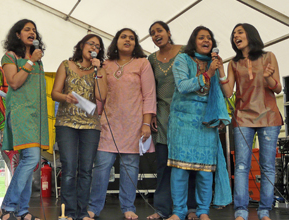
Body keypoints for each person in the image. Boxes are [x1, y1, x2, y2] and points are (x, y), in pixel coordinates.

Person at [87, 28, 156, 220]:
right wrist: (97, 116)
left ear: (136, 43)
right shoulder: (105, 64)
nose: (127, 40)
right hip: (108, 123)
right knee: (101, 166)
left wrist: (146, 124)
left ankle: (128, 207)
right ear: (116, 41)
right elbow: (100, 95)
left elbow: (149, 95)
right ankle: (94, 207)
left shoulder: (142, 63)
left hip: (134, 124)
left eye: (131, 38)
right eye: (123, 37)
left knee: (130, 167)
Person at [167, 26, 232, 220]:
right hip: (182, 121)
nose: (206, 40)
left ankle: (203, 211)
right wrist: (208, 74)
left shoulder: (215, 63)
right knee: (180, 169)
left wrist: (219, 70)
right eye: (202, 37)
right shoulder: (182, 59)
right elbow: (183, 86)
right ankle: (178, 212)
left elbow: (225, 93)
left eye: (209, 38)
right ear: (193, 41)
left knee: (205, 170)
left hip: (206, 121)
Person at [218, 23, 283, 220]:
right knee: (241, 166)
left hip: (269, 117)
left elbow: (278, 88)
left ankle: (264, 210)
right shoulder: (234, 63)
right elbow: (229, 92)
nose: (235, 35)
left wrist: (269, 78)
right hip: (243, 117)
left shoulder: (268, 56)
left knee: (268, 166)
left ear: (251, 34)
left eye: (240, 32)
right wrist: (221, 70)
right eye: (233, 33)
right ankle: (240, 211)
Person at [51, 34, 107, 220]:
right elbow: (54, 93)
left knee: (86, 170)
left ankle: (83, 213)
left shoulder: (100, 70)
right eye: (91, 43)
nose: (94, 47)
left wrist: (98, 70)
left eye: (98, 46)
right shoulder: (66, 65)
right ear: (82, 45)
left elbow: (101, 96)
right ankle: (68, 213)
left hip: (90, 125)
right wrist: (66, 97)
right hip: (66, 122)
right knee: (69, 168)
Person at [0, 19, 49, 220]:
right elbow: (14, 82)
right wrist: (30, 61)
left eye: (34, 30)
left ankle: (21, 211)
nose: (32, 32)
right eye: (27, 29)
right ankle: (7, 207)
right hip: (20, 113)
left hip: (37, 116)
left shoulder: (39, 59)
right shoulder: (10, 56)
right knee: (31, 159)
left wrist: (34, 60)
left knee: (29, 162)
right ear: (17, 34)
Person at [147, 21, 197, 220]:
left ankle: (190, 208)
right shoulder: (151, 59)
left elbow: (196, 78)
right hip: (163, 117)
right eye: (152, 33)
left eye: (159, 30)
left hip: (186, 115)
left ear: (168, 32)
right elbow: (149, 89)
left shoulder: (186, 51)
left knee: (188, 164)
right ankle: (161, 210)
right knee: (163, 164)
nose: (156, 35)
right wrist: (150, 114)